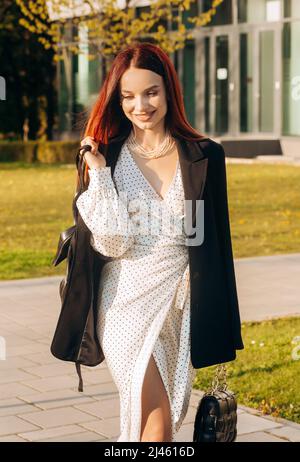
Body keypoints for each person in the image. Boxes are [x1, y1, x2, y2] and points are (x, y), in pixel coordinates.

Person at [75, 41, 244, 443]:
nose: (141, 105)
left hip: (179, 305)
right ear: (117, 100)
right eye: (128, 96)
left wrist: (221, 323)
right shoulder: (106, 158)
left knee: (163, 426)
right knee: (153, 423)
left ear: (169, 90)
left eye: (151, 92)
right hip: (124, 303)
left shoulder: (205, 156)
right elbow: (112, 244)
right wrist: (97, 174)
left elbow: (212, 242)